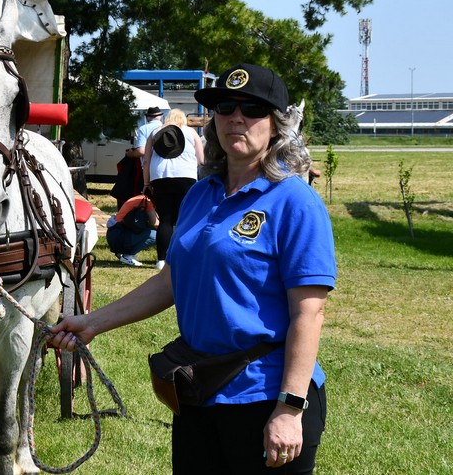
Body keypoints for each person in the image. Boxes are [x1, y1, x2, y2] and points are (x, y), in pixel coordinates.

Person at [50, 63, 336, 474]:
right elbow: (171, 279)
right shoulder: (202, 193)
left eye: (252, 109)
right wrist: (94, 322)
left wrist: (290, 408)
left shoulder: (294, 201)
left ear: (276, 125)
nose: (236, 117)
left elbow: (309, 312)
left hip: (265, 395)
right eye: (225, 106)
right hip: (200, 388)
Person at [143, 109, 204, 271]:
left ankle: (161, 260)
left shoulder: (155, 132)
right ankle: (185, 257)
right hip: (186, 177)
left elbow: (146, 161)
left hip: (159, 177)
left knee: (165, 219)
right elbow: (201, 159)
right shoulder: (190, 132)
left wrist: (146, 183)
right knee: (186, 217)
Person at [105, 193, 158, 267]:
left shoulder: (140, 199)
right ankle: (128, 255)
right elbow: (156, 224)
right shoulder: (147, 202)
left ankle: (123, 253)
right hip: (119, 235)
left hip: (114, 233)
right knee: (155, 235)